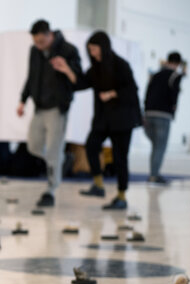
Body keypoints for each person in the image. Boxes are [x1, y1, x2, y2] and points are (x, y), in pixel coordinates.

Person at [53, 30, 142, 210]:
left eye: (94, 49)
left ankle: (122, 196)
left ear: (104, 47)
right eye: (90, 50)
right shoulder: (95, 69)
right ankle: (98, 185)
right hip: (103, 118)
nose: (92, 53)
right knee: (92, 145)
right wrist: (66, 69)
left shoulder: (120, 65)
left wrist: (111, 93)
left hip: (122, 119)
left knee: (120, 157)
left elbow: (132, 90)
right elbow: (80, 83)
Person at [17, 19, 83, 208]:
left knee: (53, 150)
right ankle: (63, 159)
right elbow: (31, 77)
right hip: (40, 107)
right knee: (33, 146)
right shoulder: (35, 51)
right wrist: (23, 100)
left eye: (41, 41)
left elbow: (79, 81)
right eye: (35, 42)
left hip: (57, 108)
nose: (38, 45)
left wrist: (66, 68)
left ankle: (50, 190)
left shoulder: (68, 50)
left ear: (50, 34)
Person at [143, 51, 186, 185]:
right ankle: (154, 176)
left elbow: (147, 93)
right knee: (160, 147)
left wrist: (145, 111)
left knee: (156, 146)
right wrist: (173, 107)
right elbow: (174, 94)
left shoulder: (155, 75)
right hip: (163, 114)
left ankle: (153, 174)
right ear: (178, 63)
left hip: (149, 113)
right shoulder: (175, 75)